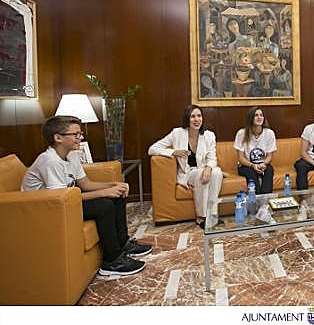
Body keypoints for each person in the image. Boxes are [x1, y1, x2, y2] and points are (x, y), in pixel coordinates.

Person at [21, 115, 151, 276]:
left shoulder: (72, 155)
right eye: (75, 134)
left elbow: (85, 184)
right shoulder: (49, 161)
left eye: (80, 134)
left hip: (63, 201)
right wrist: (103, 193)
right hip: (44, 209)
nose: (80, 138)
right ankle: (112, 262)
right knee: (104, 206)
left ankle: (122, 244)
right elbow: (61, 198)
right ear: (58, 138)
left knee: (117, 195)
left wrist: (113, 185)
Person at [148, 104, 223, 229]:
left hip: (204, 169)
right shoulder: (177, 133)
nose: (196, 119)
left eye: (199, 116)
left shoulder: (209, 135)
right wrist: (174, 152)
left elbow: (212, 158)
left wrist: (209, 168)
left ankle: (212, 214)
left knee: (217, 173)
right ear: (187, 119)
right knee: (202, 175)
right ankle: (202, 217)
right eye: (193, 116)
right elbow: (152, 149)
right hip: (188, 173)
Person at [234, 106, 277, 194]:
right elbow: (241, 158)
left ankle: (265, 199)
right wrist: (253, 166)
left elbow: (269, 156)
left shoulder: (269, 133)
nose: (259, 117)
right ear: (250, 118)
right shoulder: (241, 133)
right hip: (246, 165)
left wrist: (263, 164)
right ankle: (256, 199)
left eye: (261, 115)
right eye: (256, 115)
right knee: (251, 174)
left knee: (269, 170)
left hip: (262, 164)